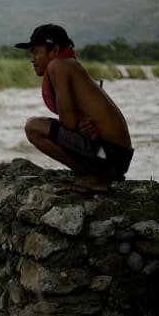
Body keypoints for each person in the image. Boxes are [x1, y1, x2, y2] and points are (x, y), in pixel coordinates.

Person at [17, 23, 134, 193]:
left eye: (36, 52)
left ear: (54, 50)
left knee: (33, 127)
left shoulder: (59, 66)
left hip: (109, 155)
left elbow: (69, 123)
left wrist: (75, 125)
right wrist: (78, 126)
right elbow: (72, 123)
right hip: (116, 156)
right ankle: (88, 175)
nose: (32, 59)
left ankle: (90, 178)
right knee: (39, 125)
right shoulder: (68, 64)